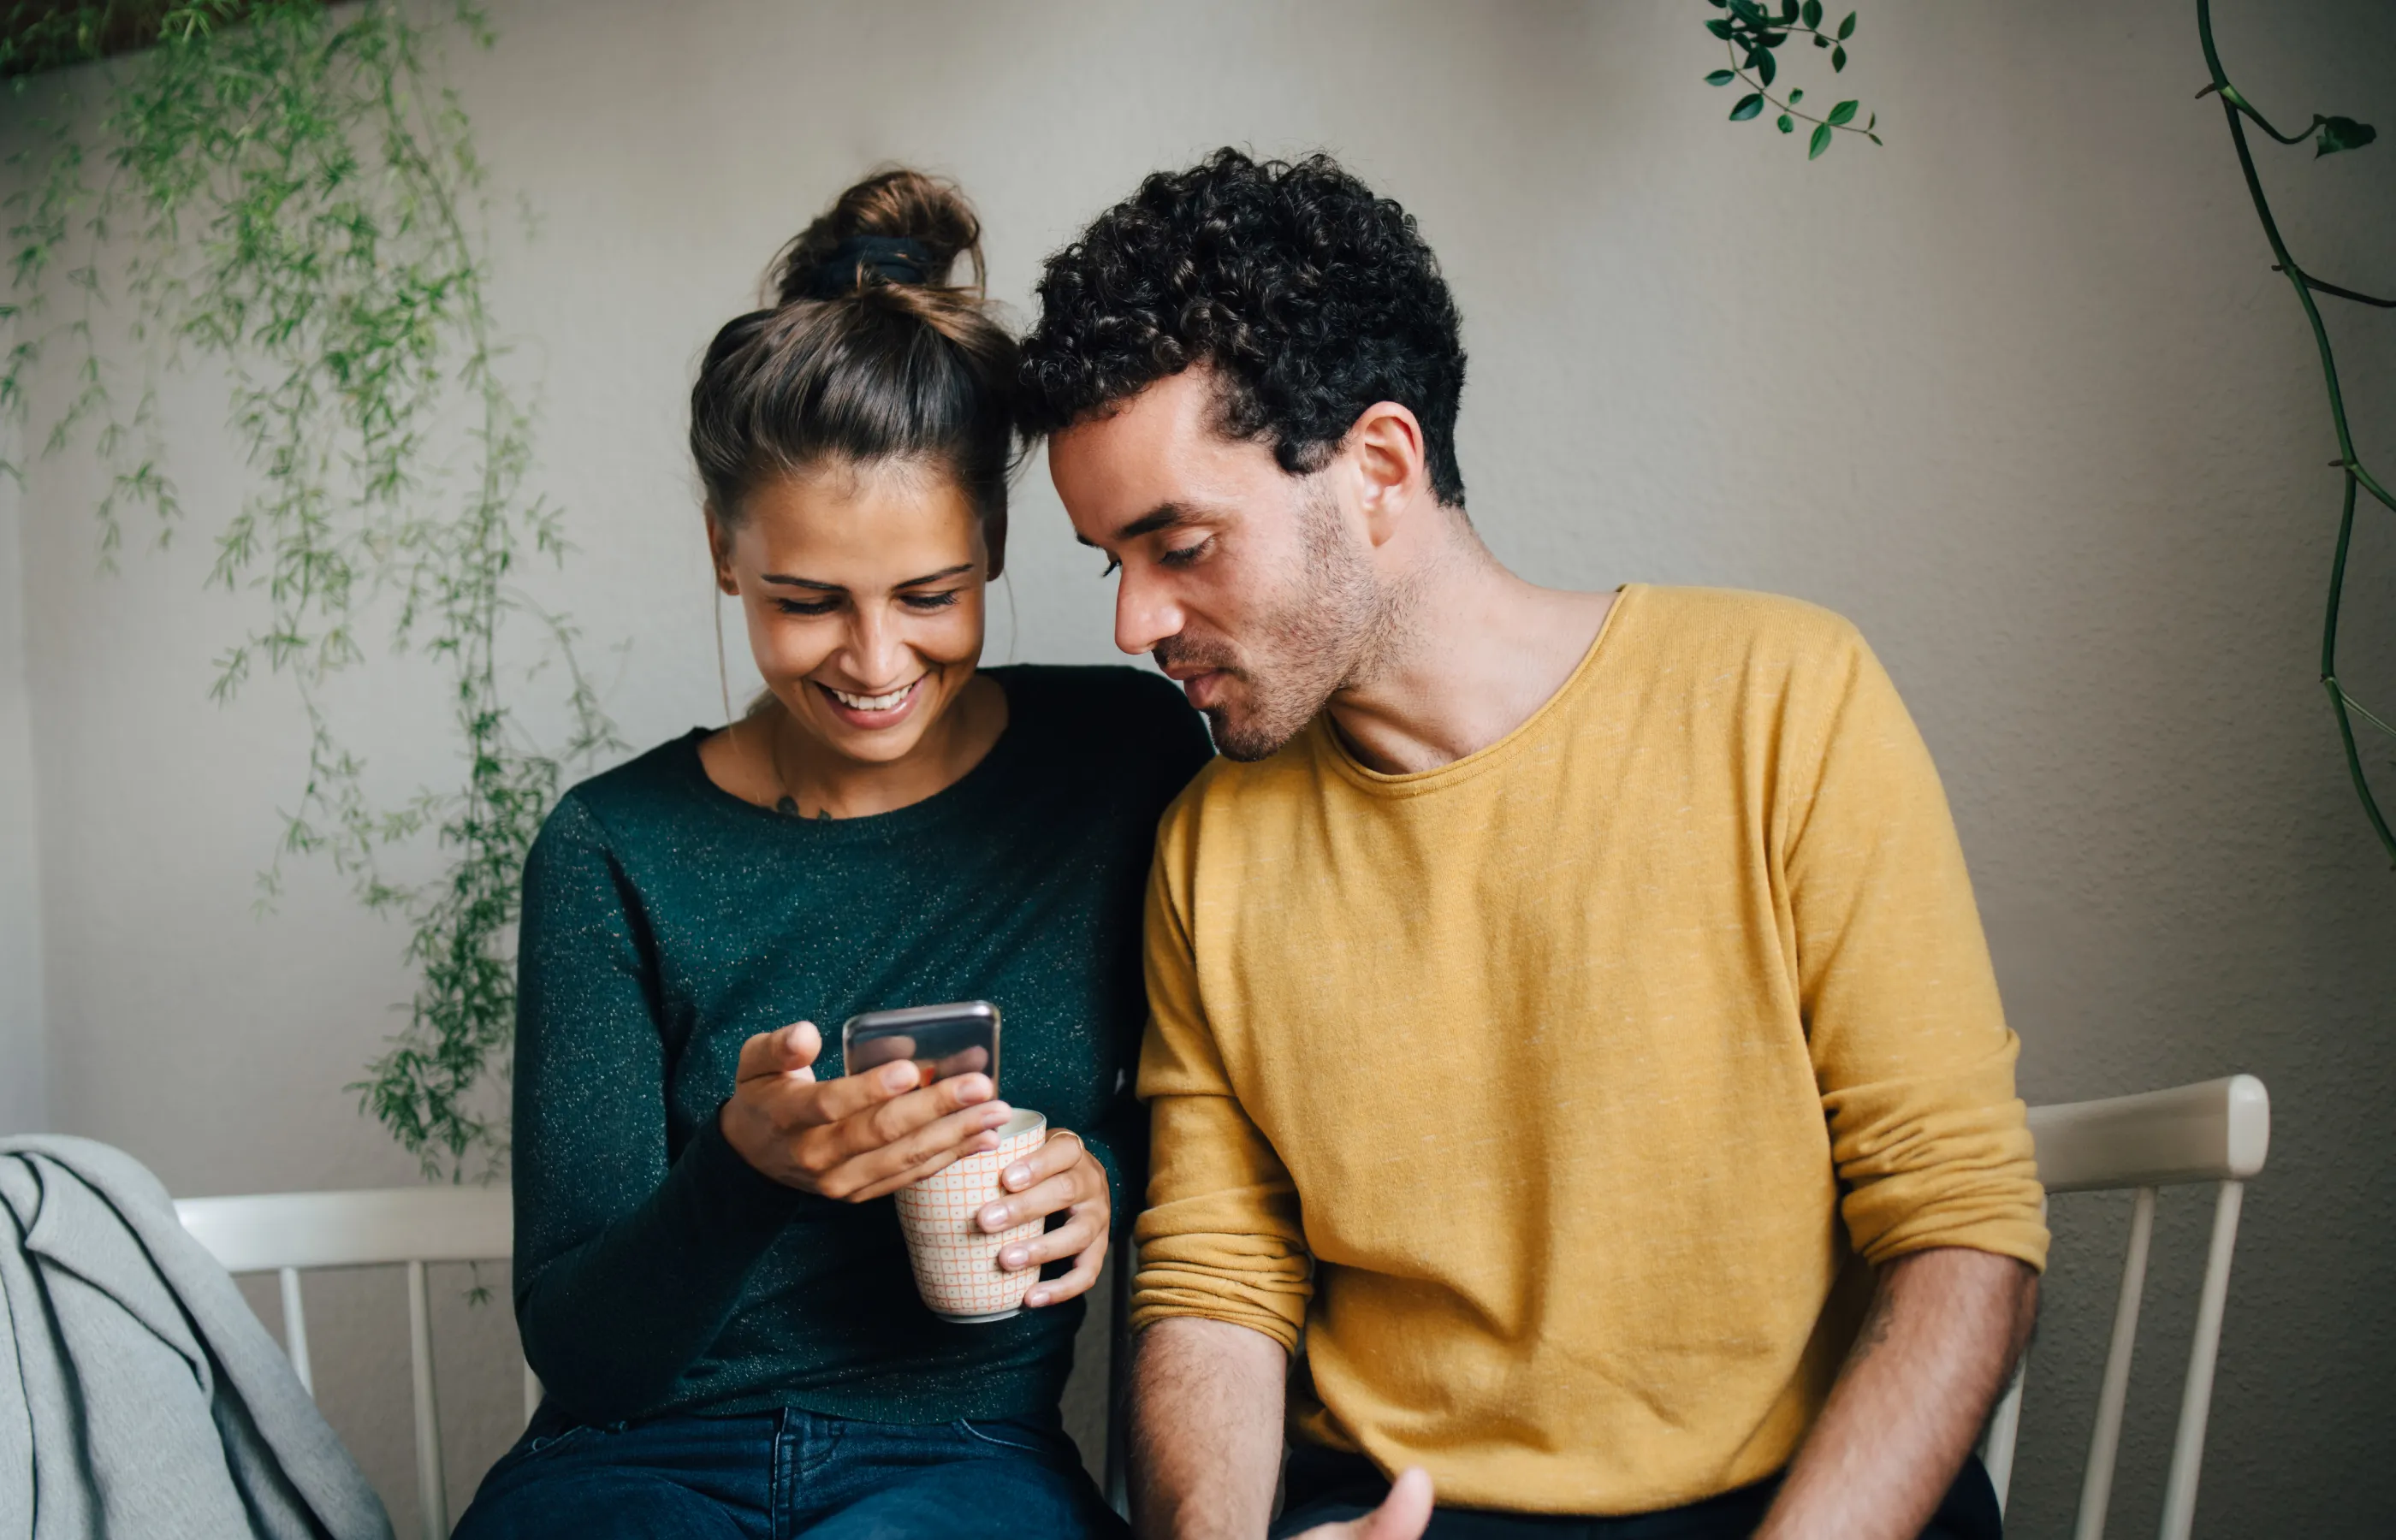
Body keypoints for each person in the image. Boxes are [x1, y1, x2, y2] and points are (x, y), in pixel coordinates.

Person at [1016, 149, 2048, 1540]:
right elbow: (1219, 1273)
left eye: (1181, 544)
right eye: (1111, 563)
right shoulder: (1215, 846)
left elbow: (1962, 1226)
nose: (1133, 625)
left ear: (1380, 465)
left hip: (1804, 1506)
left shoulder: (1781, 696)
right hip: (1407, 1512)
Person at [454, 169, 1212, 1540]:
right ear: (723, 556)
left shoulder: (1122, 764)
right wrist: (745, 1169)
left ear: (990, 542)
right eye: (809, 603)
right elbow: (586, 1352)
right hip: (627, 1467)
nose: (874, 663)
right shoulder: (609, 851)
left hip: (962, 1462)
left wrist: (1101, 1171)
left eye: (931, 595)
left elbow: (1228, 1101)